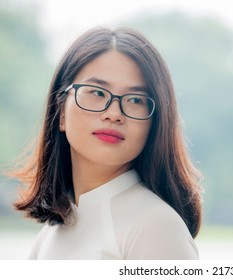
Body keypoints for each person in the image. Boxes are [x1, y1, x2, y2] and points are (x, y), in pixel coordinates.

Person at [11, 27, 203, 259]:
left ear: (155, 123)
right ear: (61, 112)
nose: (114, 113)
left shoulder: (156, 227)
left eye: (135, 99)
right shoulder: (50, 234)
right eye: (98, 93)